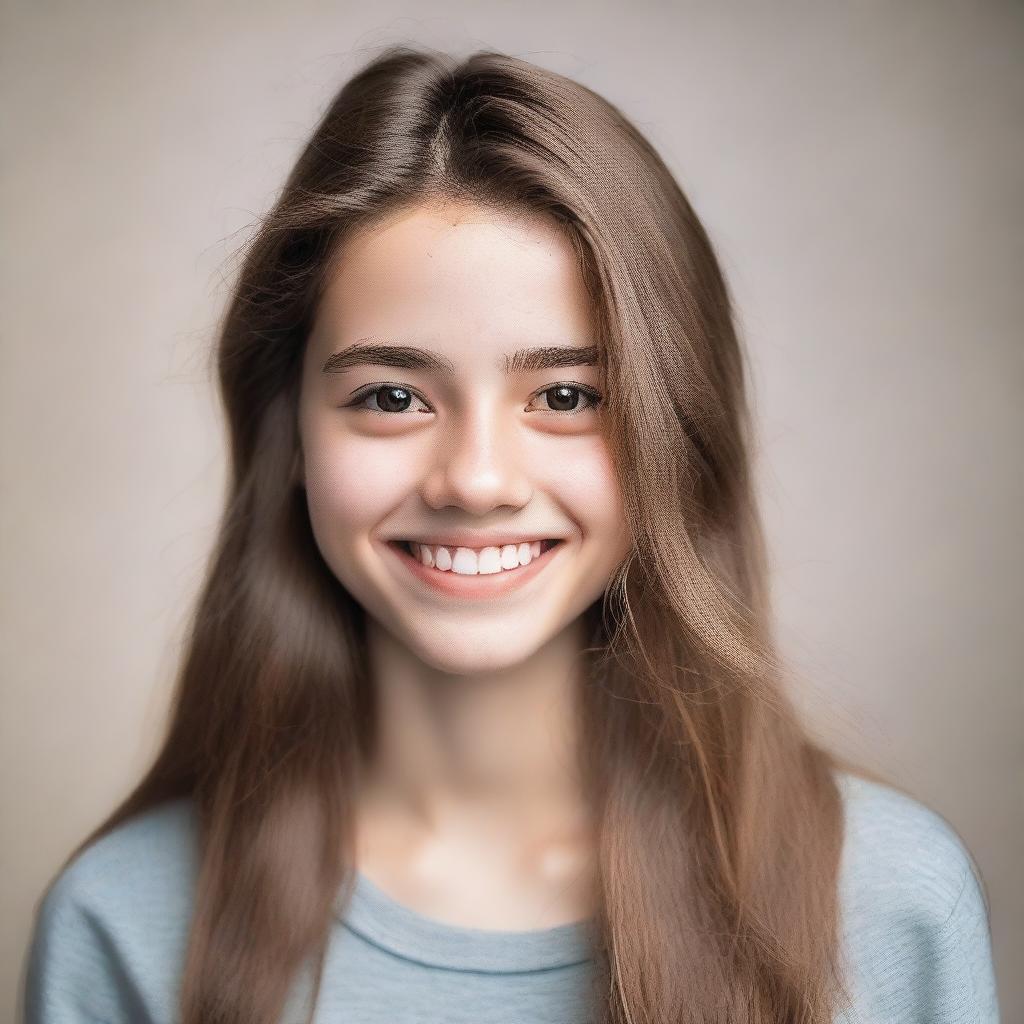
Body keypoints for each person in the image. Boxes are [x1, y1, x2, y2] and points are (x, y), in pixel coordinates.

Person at [21, 45, 1000, 1024]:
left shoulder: (888, 904)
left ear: (676, 429)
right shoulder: (124, 923)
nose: (476, 480)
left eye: (566, 395)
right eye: (392, 396)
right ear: (289, 432)